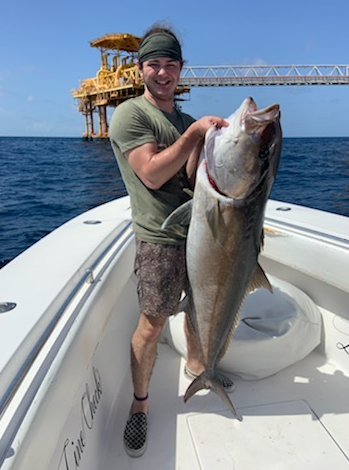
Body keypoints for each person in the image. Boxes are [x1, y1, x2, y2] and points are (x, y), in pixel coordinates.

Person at [108, 23, 234, 458]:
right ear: (141, 69)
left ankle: (202, 369)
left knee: (201, 312)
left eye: (171, 65)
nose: (163, 73)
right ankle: (140, 406)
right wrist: (194, 133)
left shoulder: (181, 118)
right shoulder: (130, 115)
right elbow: (153, 172)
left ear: (182, 70)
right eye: (154, 64)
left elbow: (186, 175)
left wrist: (215, 147)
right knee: (153, 323)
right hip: (159, 239)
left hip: (198, 234)